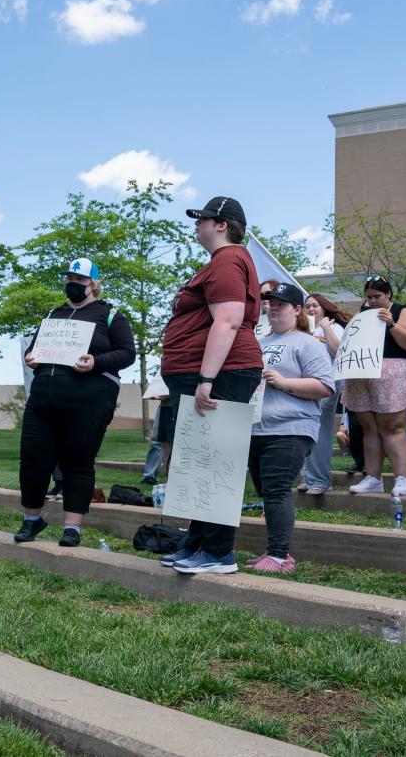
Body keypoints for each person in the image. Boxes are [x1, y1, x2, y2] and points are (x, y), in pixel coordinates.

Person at [157, 196, 264, 574]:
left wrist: (206, 378)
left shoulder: (229, 260)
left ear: (222, 224)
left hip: (225, 372)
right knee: (201, 463)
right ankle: (197, 544)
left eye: (202, 219)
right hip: (211, 372)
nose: (196, 225)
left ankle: (219, 553)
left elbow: (229, 320)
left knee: (216, 462)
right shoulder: (222, 262)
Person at [15, 258, 136, 546]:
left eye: (80, 280)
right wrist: (31, 358)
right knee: (32, 460)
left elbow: (127, 353)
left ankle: (72, 527)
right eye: (69, 278)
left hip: (88, 402)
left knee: (78, 463)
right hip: (43, 400)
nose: (73, 284)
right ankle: (32, 519)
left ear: (93, 284)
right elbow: (33, 350)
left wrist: (97, 361)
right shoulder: (53, 314)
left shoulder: (110, 315)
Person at [247, 283, 334, 572]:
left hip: (290, 428)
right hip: (256, 428)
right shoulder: (258, 343)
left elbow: (324, 387)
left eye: (280, 304)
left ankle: (280, 555)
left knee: (277, 490)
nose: (272, 308)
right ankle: (274, 551)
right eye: (270, 303)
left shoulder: (308, 343)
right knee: (266, 491)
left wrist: (284, 383)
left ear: (297, 310)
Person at [344, 276, 406, 496]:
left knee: (393, 427)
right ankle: (373, 478)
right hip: (363, 374)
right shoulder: (363, 313)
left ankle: (402, 479)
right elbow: (347, 340)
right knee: (370, 428)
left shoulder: (401, 311)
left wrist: (392, 324)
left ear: (388, 294)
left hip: (392, 372)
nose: (372, 301)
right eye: (368, 297)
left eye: (377, 296)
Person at [299, 293, 350, 493]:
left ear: (325, 307)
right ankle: (308, 477)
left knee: (320, 432)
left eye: (315, 305)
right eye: (307, 306)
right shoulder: (304, 329)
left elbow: (339, 351)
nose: (311, 309)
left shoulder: (334, 326)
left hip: (327, 385)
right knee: (306, 432)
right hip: (305, 386)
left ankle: (320, 480)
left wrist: (327, 328)